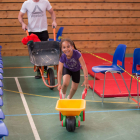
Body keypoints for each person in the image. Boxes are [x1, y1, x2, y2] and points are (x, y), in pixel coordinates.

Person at [18, 0, 57, 79]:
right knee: (36, 51)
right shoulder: (27, 3)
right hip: (32, 31)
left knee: (46, 50)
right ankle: (39, 70)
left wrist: (54, 21)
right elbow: (20, 16)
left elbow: (52, 12)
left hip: (43, 30)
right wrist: (22, 23)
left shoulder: (45, 2)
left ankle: (45, 68)